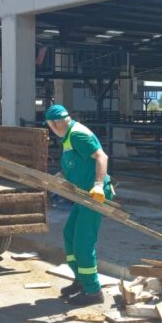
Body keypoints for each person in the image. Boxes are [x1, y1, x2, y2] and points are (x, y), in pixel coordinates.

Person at [44, 104, 114, 305]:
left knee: (83, 242)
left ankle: (93, 291)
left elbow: (102, 157)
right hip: (82, 195)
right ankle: (81, 280)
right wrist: (57, 178)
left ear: (54, 124)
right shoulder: (68, 136)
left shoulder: (77, 135)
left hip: (94, 195)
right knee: (70, 234)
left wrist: (98, 185)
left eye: (50, 126)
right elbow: (74, 166)